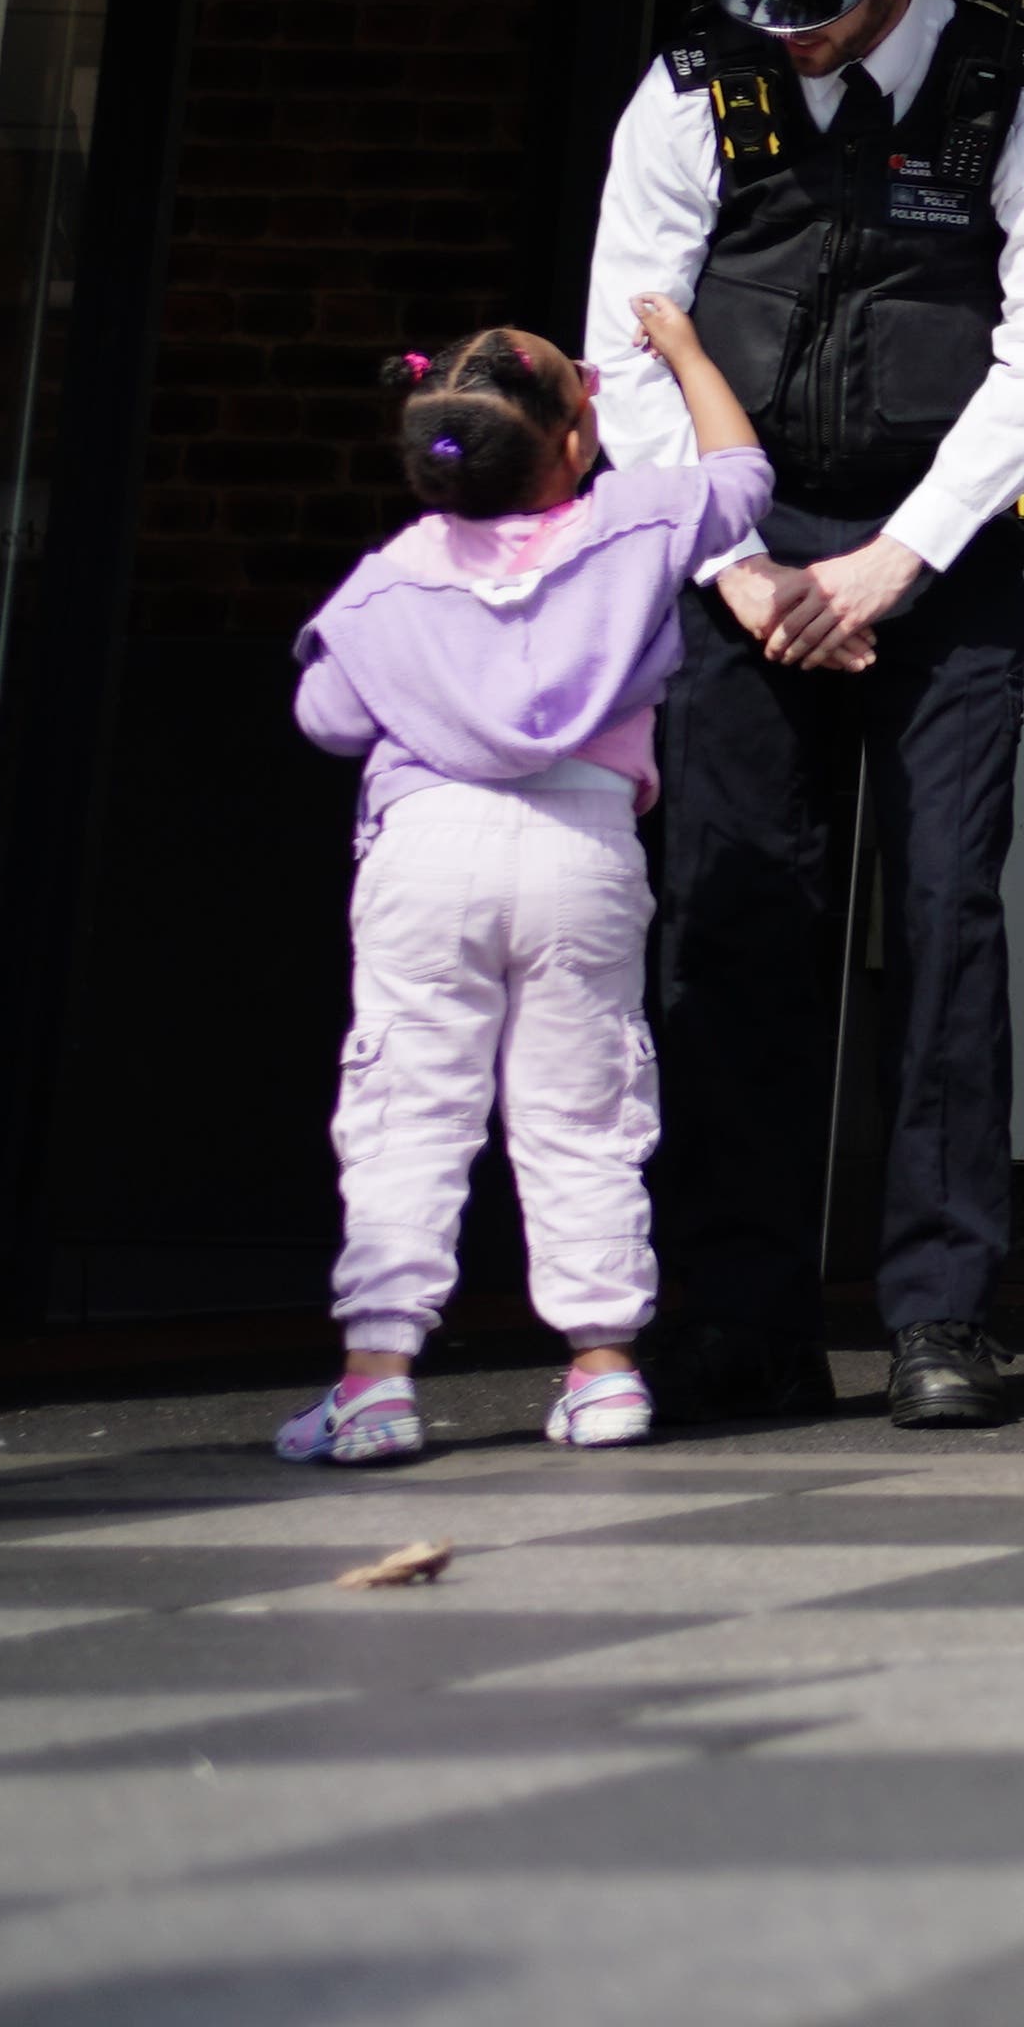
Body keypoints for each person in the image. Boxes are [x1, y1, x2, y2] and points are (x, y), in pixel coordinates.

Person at [589, 0, 1024, 1434]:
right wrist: (740, 568)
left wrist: (900, 561)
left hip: (942, 561)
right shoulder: (687, 93)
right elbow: (628, 341)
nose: (796, 44)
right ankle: (736, 1318)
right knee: (738, 915)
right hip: (737, 554)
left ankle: (943, 1317)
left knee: (947, 912)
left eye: (827, 15)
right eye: (774, 14)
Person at [277, 303, 770, 1466]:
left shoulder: (388, 579)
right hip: (582, 846)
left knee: (408, 1106)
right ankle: (603, 1372)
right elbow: (743, 475)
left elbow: (327, 715)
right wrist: (691, 355)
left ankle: (378, 1381)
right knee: (586, 1109)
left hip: (429, 847)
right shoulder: (640, 520)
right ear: (572, 443)